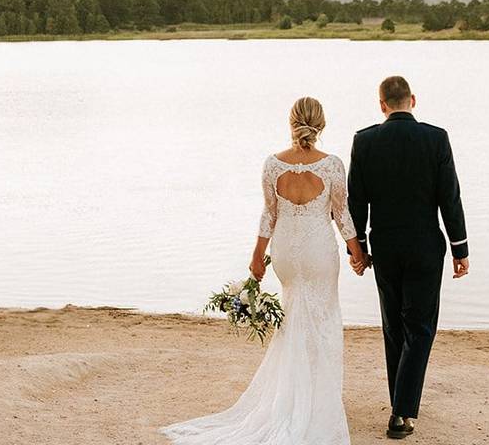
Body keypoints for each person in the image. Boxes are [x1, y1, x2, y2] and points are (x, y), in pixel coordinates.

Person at [160, 96, 368, 445]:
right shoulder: (331, 165)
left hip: (285, 251)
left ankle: (291, 396)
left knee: (293, 319)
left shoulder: (273, 164)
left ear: (292, 123)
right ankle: (315, 399)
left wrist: (257, 256)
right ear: (321, 125)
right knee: (323, 320)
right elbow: (341, 215)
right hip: (318, 251)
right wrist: (357, 253)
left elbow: (269, 214)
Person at [347, 75, 469, 440]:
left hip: (384, 248)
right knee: (420, 328)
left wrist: (359, 250)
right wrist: (460, 249)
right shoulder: (436, 138)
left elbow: (356, 201)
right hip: (425, 248)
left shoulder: (364, 141)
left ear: (382, 104)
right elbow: (450, 197)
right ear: (412, 100)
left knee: (394, 328)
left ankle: (401, 402)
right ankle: (402, 412)